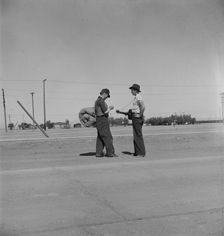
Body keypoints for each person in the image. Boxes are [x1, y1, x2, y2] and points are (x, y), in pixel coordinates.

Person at [94, 88, 117, 157]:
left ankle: (99, 152)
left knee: (100, 137)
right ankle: (110, 153)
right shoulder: (101, 101)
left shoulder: (97, 100)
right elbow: (105, 111)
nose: (107, 98)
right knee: (108, 137)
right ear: (105, 94)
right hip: (102, 120)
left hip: (98, 120)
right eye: (107, 96)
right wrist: (110, 108)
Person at [129, 83, 146, 157]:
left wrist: (140, 115)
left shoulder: (138, 97)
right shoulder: (136, 97)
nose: (131, 91)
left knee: (138, 135)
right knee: (136, 135)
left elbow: (143, 106)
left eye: (132, 90)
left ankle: (141, 153)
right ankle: (137, 152)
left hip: (137, 118)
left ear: (135, 90)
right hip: (135, 117)